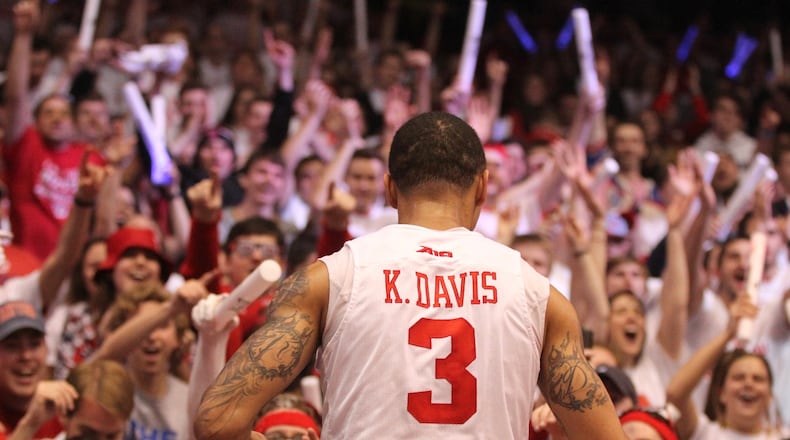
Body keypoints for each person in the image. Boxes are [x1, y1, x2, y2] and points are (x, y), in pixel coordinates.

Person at [195, 112, 626, 439]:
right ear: (482, 187)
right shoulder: (539, 295)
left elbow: (215, 423)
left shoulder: (327, 279)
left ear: (388, 187)